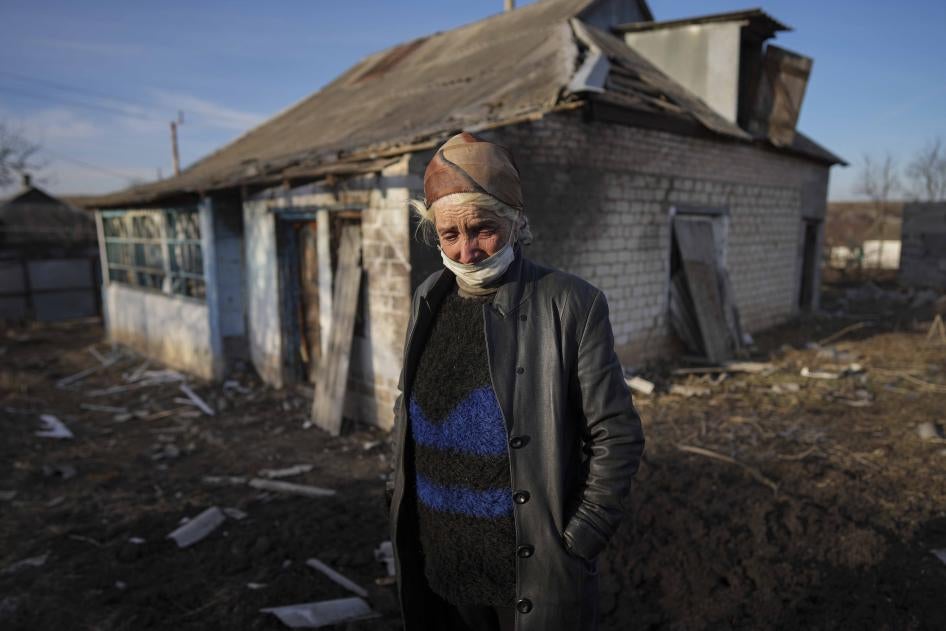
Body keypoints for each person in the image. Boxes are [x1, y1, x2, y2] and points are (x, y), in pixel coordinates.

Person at [387, 132, 645, 631]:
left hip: (527, 575)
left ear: (516, 221)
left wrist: (578, 539)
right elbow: (407, 407)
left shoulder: (570, 304)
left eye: (483, 229)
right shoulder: (428, 298)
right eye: (449, 235)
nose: (466, 251)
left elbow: (617, 435)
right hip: (441, 564)